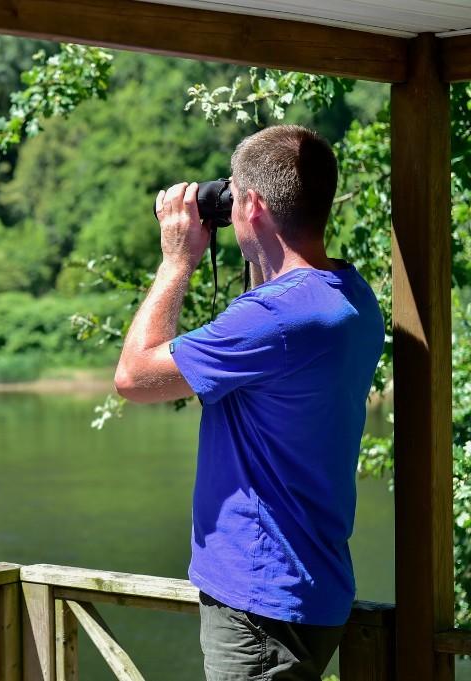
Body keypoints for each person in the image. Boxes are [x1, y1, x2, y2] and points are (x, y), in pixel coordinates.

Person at [113, 125, 384, 681]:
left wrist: (176, 261)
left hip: (260, 603)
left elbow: (134, 377)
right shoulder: (349, 297)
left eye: (234, 195)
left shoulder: (277, 319)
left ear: (253, 204)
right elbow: (275, 299)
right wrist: (259, 246)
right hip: (311, 585)